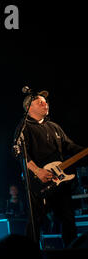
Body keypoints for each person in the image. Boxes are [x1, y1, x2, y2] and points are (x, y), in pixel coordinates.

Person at [14, 90, 86, 247]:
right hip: (38, 182)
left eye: (46, 102)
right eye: (40, 102)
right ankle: (29, 255)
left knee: (68, 220)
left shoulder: (54, 127)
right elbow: (20, 154)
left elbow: (70, 146)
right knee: (36, 221)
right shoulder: (24, 128)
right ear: (28, 107)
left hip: (59, 181)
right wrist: (38, 171)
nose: (45, 104)